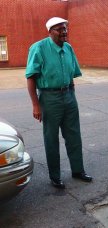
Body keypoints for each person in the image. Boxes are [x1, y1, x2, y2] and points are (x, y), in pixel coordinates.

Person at [25, 17, 92, 189]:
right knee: (51, 138)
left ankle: (78, 170)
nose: (64, 32)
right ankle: (55, 176)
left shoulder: (68, 48)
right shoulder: (38, 48)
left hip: (69, 95)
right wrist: (35, 105)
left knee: (74, 135)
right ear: (50, 31)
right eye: (59, 29)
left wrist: (72, 94)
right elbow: (31, 77)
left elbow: (72, 75)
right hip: (49, 98)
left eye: (65, 29)